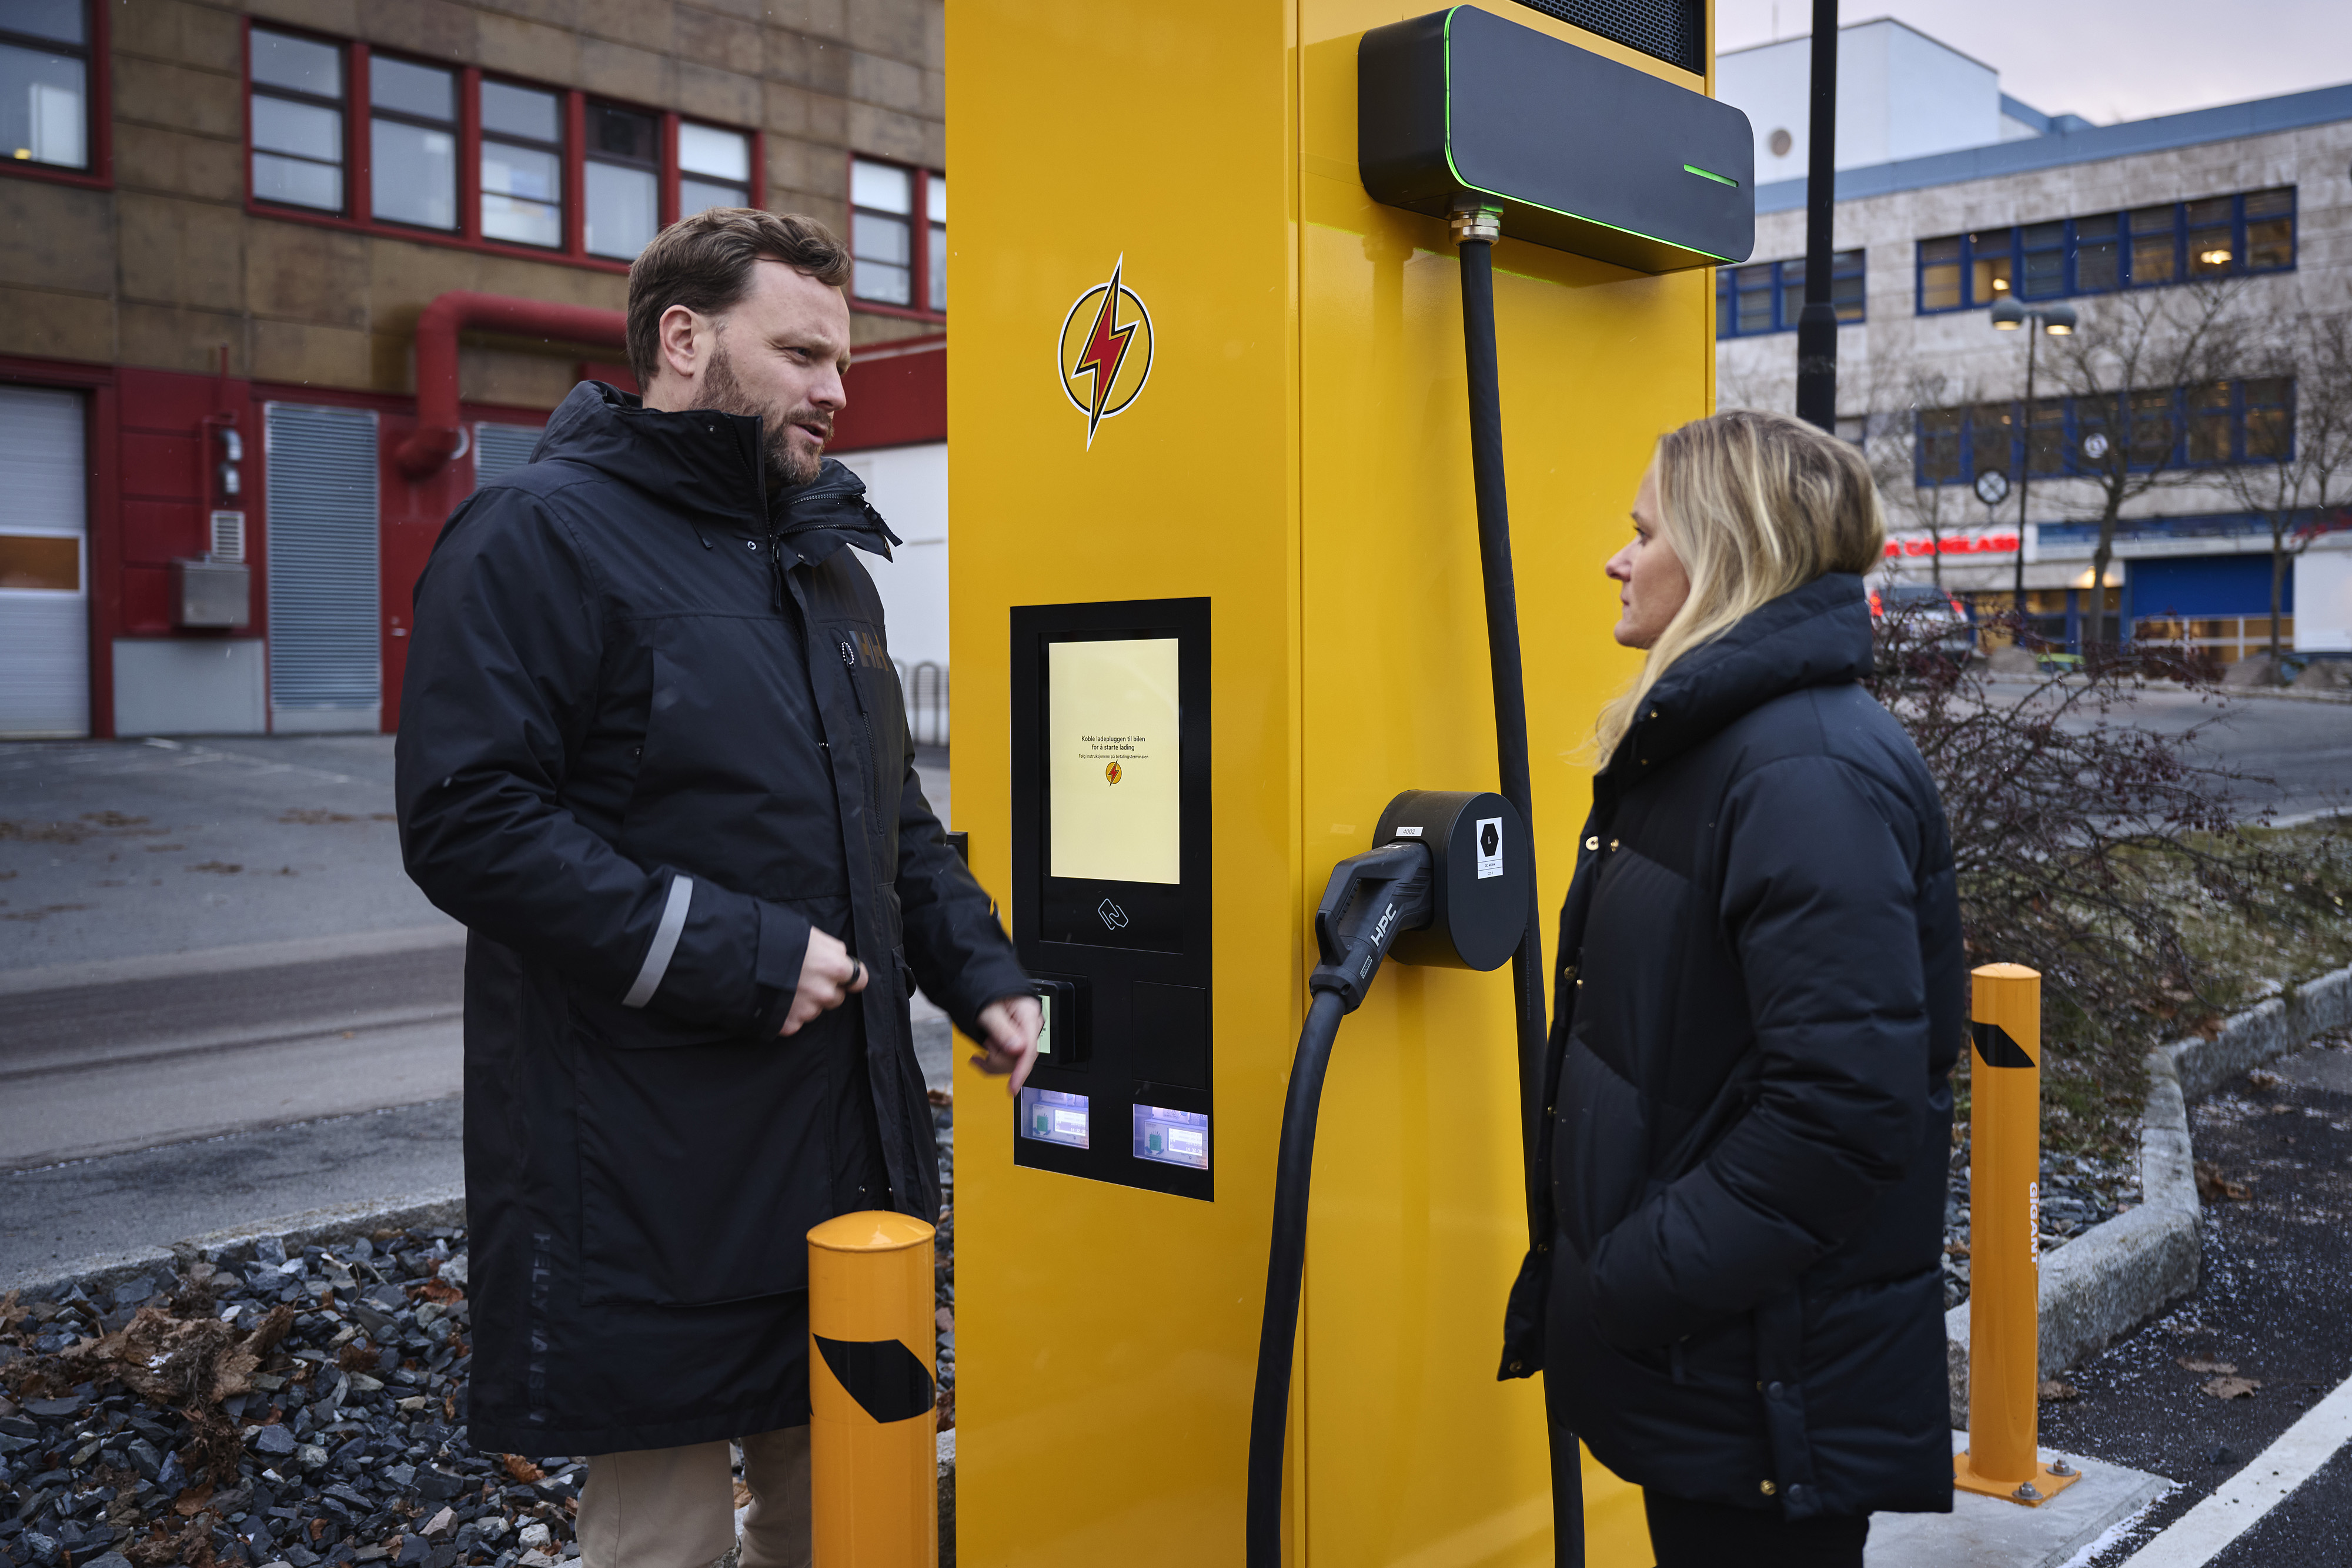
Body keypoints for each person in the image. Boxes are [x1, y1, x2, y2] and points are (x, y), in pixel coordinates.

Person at [394, 208, 1040, 1568]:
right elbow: (470, 820)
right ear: (682, 340)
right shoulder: (533, 534)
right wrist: (736, 952)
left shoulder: (825, 566)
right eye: (801, 351)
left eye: (842, 360)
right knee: (666, 1545)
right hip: (643, 1171)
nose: (836, 390)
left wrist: (978, 968)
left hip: (837, 1151)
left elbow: (891, 819)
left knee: (848, 1524)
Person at [1498, 409, 1963, 1566]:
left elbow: (1841, 1109)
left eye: (1641, 530)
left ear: (1725, 549)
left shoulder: (1800, 769)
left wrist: (1632, 1278)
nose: (1616, 557)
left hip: (1759, 1371)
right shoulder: (1716, 745)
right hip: (1720, 1355)